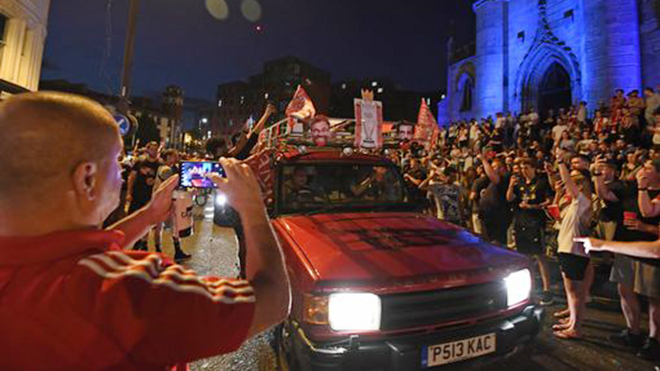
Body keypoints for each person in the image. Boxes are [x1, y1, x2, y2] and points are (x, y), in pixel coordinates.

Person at [0, 92, 291, 369]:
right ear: (87, 179)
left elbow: (70, 255)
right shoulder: (129, 290)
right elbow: (272, 301)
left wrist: (148, 216)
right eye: (116, 160)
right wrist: (253, 208)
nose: (121, 171)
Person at [553, 153, 593, 340]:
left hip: (573, 251)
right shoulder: (574, 204)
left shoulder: (583, 202)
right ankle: (572, 321)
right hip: (567, 249)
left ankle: (576, 328)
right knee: (571, 290)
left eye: (573, 183)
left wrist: (561, 162)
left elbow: (567, 181)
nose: (568, 187)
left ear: (580, 185)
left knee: (575, 291)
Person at [506, 158, 553, 305]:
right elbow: (509, 198)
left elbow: (549, 200)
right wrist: (511, 185)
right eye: (522, 168)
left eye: (526, 167)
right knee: (524, 256)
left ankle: (547, 290)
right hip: (520, 221)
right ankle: (528, 288)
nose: (524, 170)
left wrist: (536, 206)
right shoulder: (519, 183)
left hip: (535, 221)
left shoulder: (541, 182)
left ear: (533, 168)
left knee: (540, 256)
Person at [153, 149, 191, 261]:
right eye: (174, 156)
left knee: (162, 227)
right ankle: (170, 252)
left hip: (161, 200)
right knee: (169, 226)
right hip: (164, 201)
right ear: (168, 157)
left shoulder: (164, 167)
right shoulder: (166, 170)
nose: (176, 157)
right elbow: (171, 185)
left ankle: (161, 251)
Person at [125, 141, 162, 251]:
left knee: (147, 221)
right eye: (152, 149)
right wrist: (129, 193)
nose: (154, 151)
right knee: (135, 219)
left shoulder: (160, 164)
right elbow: (131, 177)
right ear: (147, 149)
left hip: (150, 196)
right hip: (137, 195)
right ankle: (136, 241)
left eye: (156, 149)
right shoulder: (140, 161)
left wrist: (155, 182)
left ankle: (144, 243)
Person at [476, 151, 512, 245]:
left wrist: (484, 160)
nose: (492, 169)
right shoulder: (493, 181)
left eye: (494, 167)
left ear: (502, 168)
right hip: (487, 215)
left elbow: (493, 177)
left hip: (497, 217)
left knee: (497, 242)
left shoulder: (506, 177)